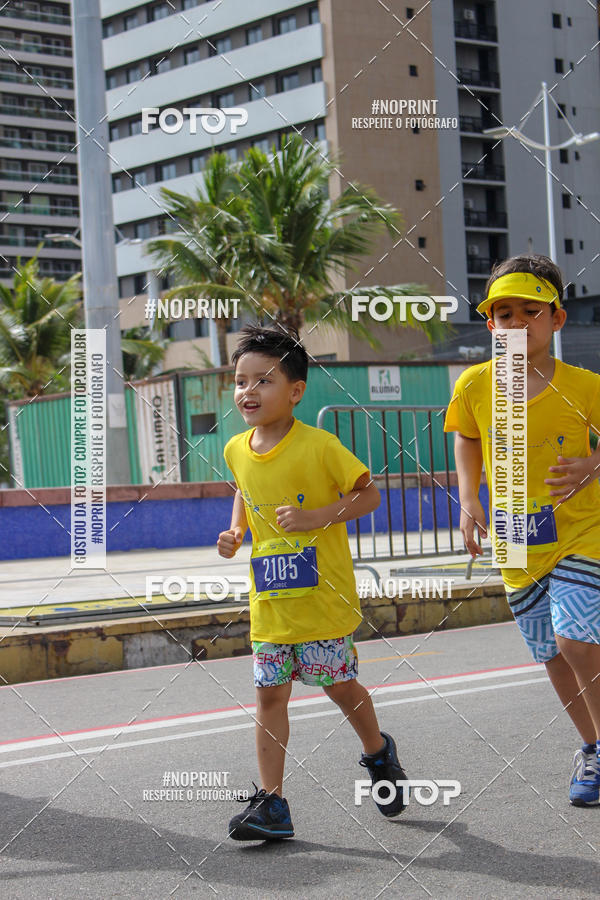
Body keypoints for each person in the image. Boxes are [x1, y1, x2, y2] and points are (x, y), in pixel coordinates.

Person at [217, 324, 408, 841]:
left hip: (322, 601)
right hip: (271, 603)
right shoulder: (236, 447)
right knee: (269, 698)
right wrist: (237, 531)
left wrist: (319, 516)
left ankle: (377, 753)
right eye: (241, 380)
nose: (248, 391)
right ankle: (273, 804)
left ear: (296, 390)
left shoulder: (320, 445)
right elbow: (244, 490)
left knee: (339, 688)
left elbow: (368, 496)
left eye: (264, 380)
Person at [444, 254, 600, 806]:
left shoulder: (587, 387)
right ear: (490, 324)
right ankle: (594, 747)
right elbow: (465, 436)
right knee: (552, 657)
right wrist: (467, 500)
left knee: (575, 639)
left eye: (529, 311)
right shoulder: (474, 383)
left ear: (557, 319)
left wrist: (593, 465)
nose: (515, 323)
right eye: (503, 313)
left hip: (584, 533)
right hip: (515, 540)